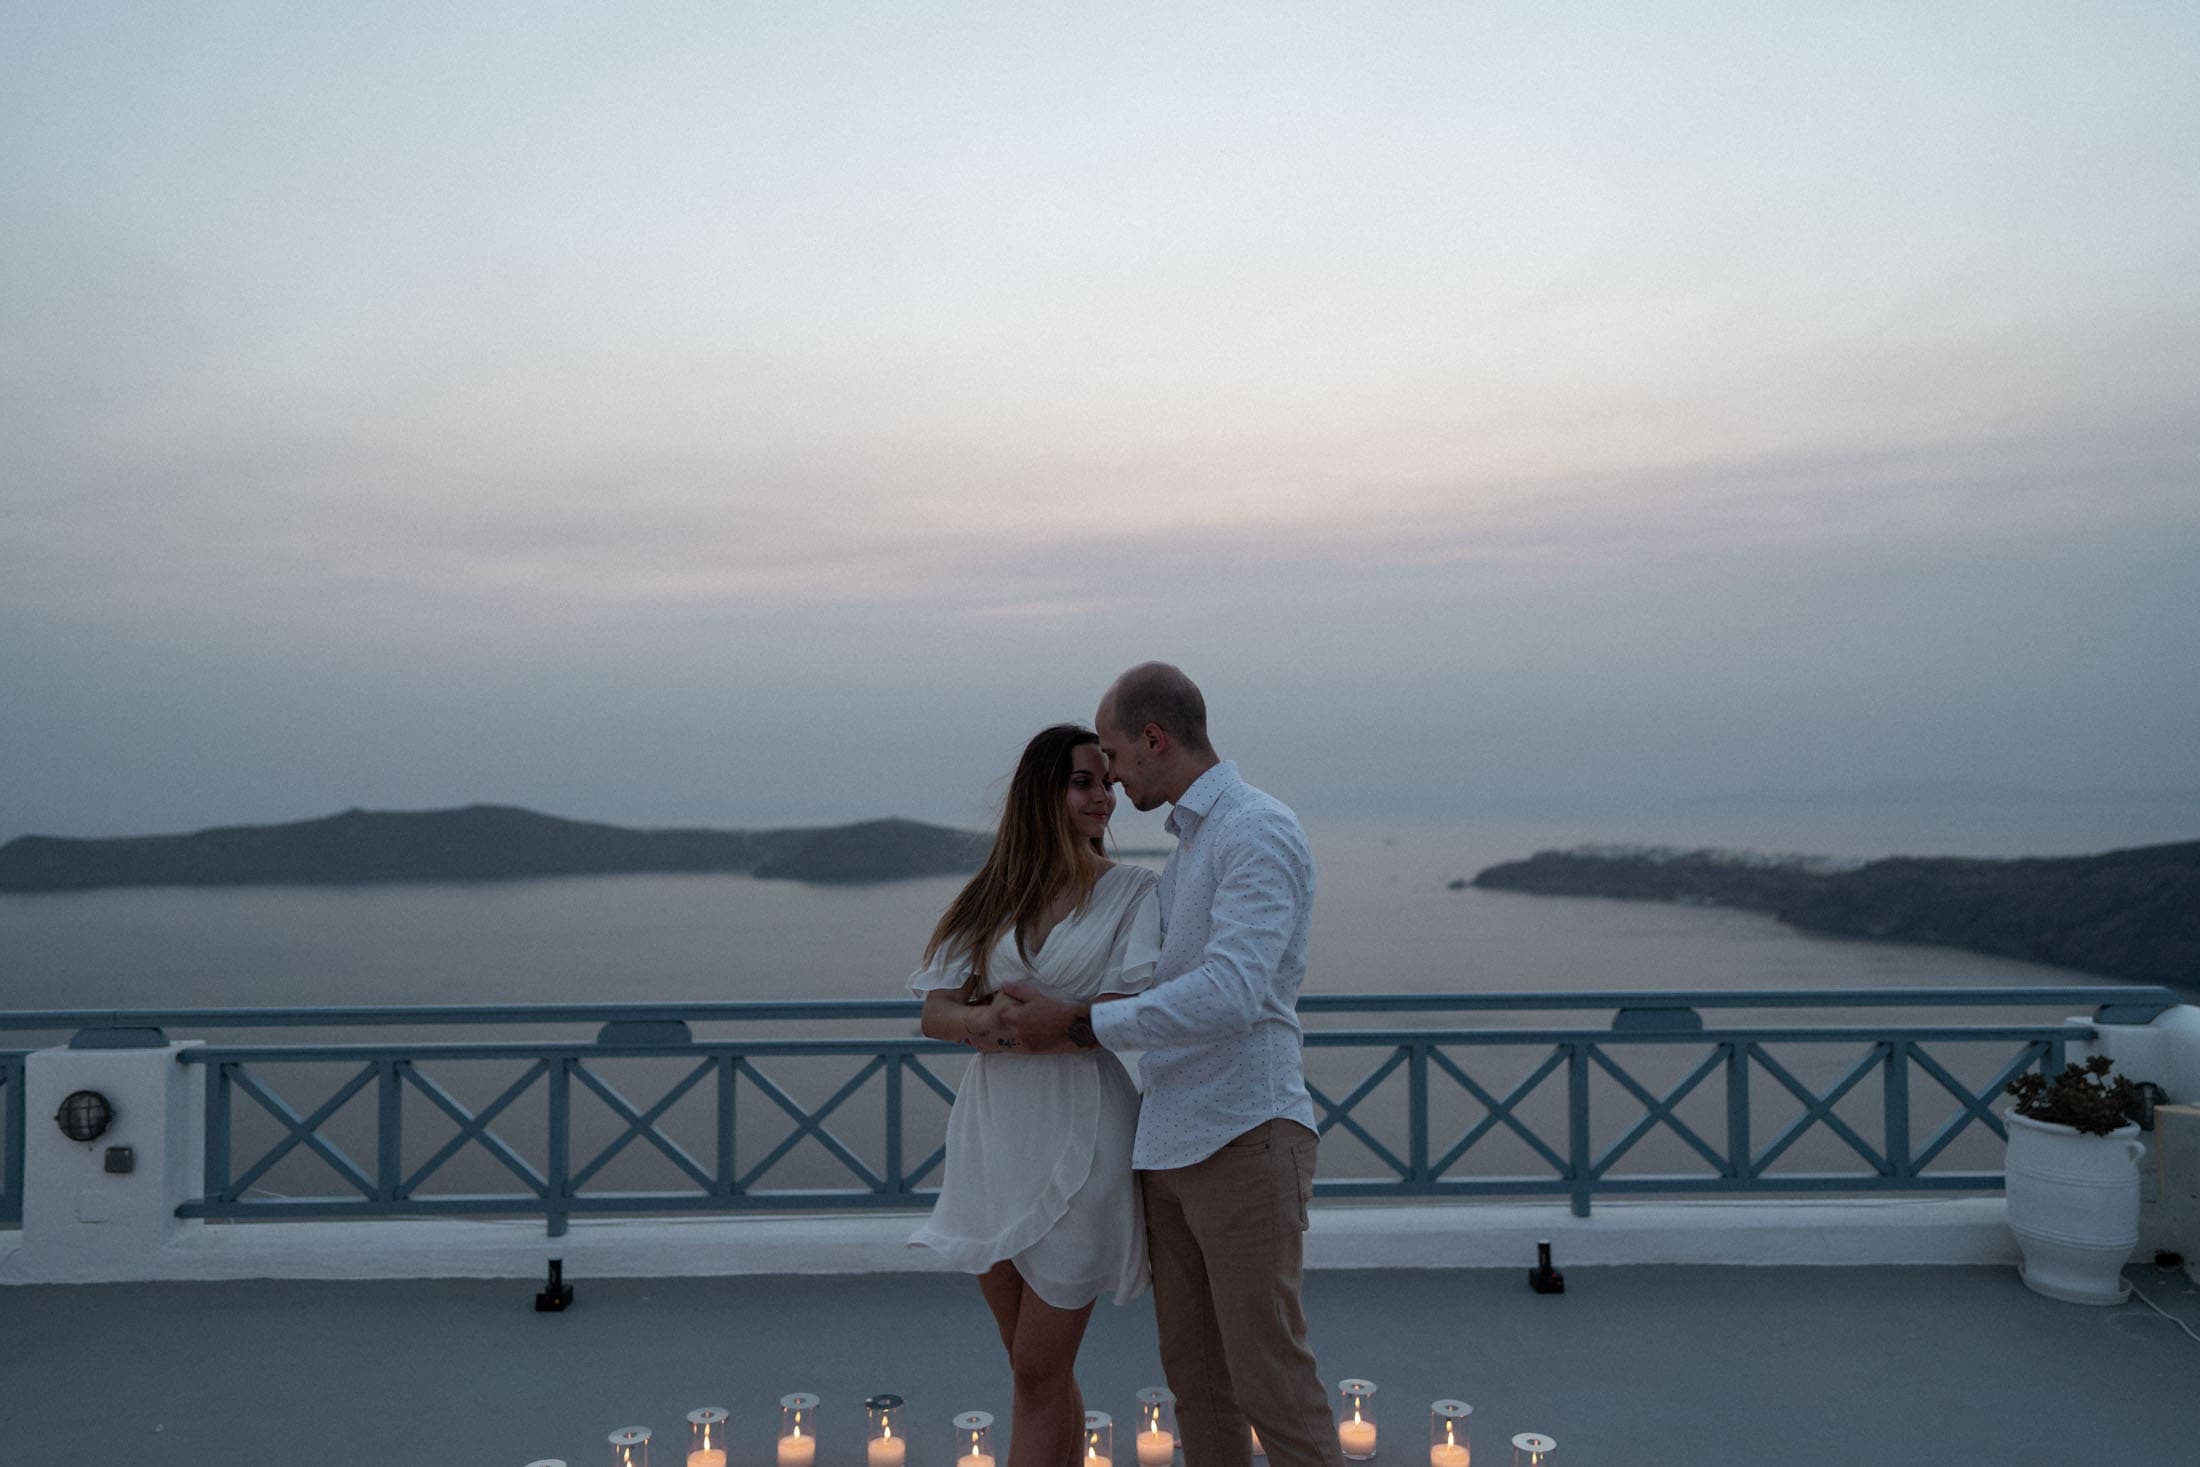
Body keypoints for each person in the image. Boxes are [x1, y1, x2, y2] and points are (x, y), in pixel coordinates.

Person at [997, 663, 1342, 1467]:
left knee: (1272, 1381)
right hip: (1171, 1144)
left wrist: (1078, 1024)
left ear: (1154, 739)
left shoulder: (1255, 829)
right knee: (1199, 1383)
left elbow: (1230, 992)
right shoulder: (1188, 854)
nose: (1110, 776)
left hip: (1246, 1135)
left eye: (1114, 754)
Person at [907, 722, 1163, 1467]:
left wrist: (1053, 1026)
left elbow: (1127, 1009)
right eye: (1084, 782)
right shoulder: (995, 896)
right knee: (1033, 1366)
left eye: (1107, 783)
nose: (1103, 798)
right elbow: (933, 1010)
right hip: (995, 1137)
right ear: (1043, 794)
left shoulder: (1132, 895)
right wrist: (986, 1020)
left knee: (1037, 1367)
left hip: (1084, 1133)